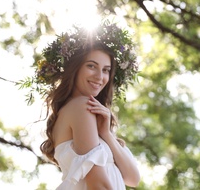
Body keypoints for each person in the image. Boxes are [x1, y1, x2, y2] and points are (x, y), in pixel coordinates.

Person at [27, 21, 140, 189]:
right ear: (75, 68)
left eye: (106, 70)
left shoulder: (84, 111)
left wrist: (106, 134)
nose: (99, 76)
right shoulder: (81, 107)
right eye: (91, 66)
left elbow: (132, 179)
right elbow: (98, 183)